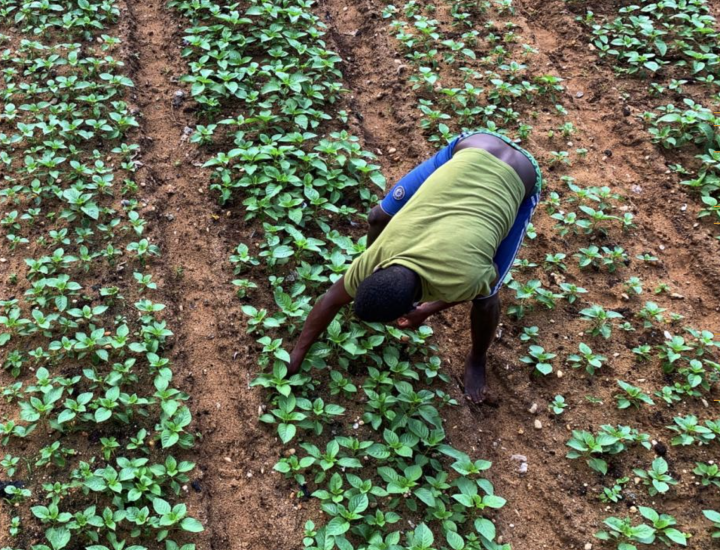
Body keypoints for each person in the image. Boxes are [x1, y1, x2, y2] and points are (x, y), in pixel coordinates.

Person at [288, 129, 543, 404]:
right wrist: (296, 354)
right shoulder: (376, 257)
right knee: (377, 217)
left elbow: (474, 291)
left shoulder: (465, 276)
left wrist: (426, 311)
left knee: (488, 298)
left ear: (413, 303)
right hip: (469, 145)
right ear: (376, 271)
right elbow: (329, 300)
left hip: (522, 176)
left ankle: (478, 357)